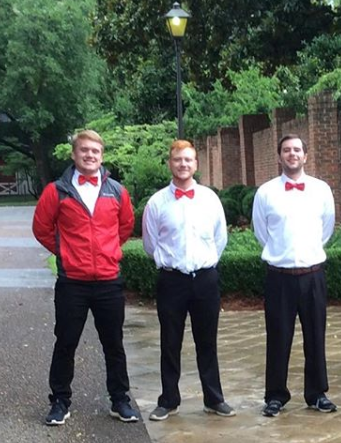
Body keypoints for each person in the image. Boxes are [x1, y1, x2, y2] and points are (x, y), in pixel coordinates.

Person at [33, 130, 139, 425]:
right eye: (84, 150)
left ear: (101, 155)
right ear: (74, 154)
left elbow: (125, 226)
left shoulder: (117, 191)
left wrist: (106, 252)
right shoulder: (57, 191)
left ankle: (120, 400)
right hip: (73, 283)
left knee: (114, 344)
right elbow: (41, 227)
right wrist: (66, 252)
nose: (90, 155)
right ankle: (60, 401)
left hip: (108, 281)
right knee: (66, 342)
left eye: (95, 151)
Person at [142, 139, 235, 421]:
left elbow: (220, 238)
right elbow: (150, 243)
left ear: (196, 164)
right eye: (178, 159)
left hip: (205, 279)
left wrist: (206, 264)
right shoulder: (157, 202)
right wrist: (167, 264)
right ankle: (168, 399)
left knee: (207, 341)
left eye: (188, 160)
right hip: (172, 281)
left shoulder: (210, 199)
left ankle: (213, 398)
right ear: (170, 163)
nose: (183, 164)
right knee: (170, 341)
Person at [252, 134, 337, 417]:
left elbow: (326, 229)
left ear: (306, 156)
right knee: (278, 337)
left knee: (316, 336)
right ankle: (275, 395)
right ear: (279, 157)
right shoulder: (265, 193)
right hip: (279, 277)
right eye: (286, 150)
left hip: (313, 275)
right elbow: (261, 233)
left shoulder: (322, 190)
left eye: (297, 150)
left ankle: (317, 393)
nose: (292, 154)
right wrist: (282, 253)